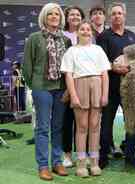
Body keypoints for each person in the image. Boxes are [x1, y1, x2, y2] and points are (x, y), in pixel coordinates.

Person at [23, 3, 71, 181]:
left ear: (60, 18)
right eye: (49, 14)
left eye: (56, 14)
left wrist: (67, 89)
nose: (53, 17)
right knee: (43, 128)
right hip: (41, 87)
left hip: (60, 89)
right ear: (44, 17)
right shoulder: (34, 38)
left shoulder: (65, 40)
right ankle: (43, 166)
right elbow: (27, 66)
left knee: (58, 127)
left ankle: (57, 162)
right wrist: (34, 85)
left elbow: (68, 67)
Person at [61, 21, 110, 177]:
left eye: (88, 29)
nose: (85, 31)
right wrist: (73, 95)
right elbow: (68, 74)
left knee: (95, 125)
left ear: (92, 33)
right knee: (82, 126)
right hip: (79, 84)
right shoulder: (71, 51)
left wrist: (104, 94)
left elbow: (104, 74)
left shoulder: (98, 50)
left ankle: (94, 162)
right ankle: (81, 163)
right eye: (82, 29)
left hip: (97, 85)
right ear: (77, 32)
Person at [96, 2, 135, 169]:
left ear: (124, 15)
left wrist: (129, 68)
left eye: (119, 13)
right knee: (106, 124)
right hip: (110, 88)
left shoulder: (132, 36)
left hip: (129, 89)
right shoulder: (104, 36)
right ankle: (103, 155)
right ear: (109, 17)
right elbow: (102, 60)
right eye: (113, 13)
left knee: (132, 124)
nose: (117, 16)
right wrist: (114, 68)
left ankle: (130, 154)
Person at [61, 5, 85, 168]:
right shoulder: (61, 35)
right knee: (67, 121)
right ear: (66, 17)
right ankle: (67, 155)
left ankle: (81, 154)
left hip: (84, 83)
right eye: (71, 14)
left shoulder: (87, 34)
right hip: (65, 83)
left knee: (82, 123)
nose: (75, 17)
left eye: (78, 14)